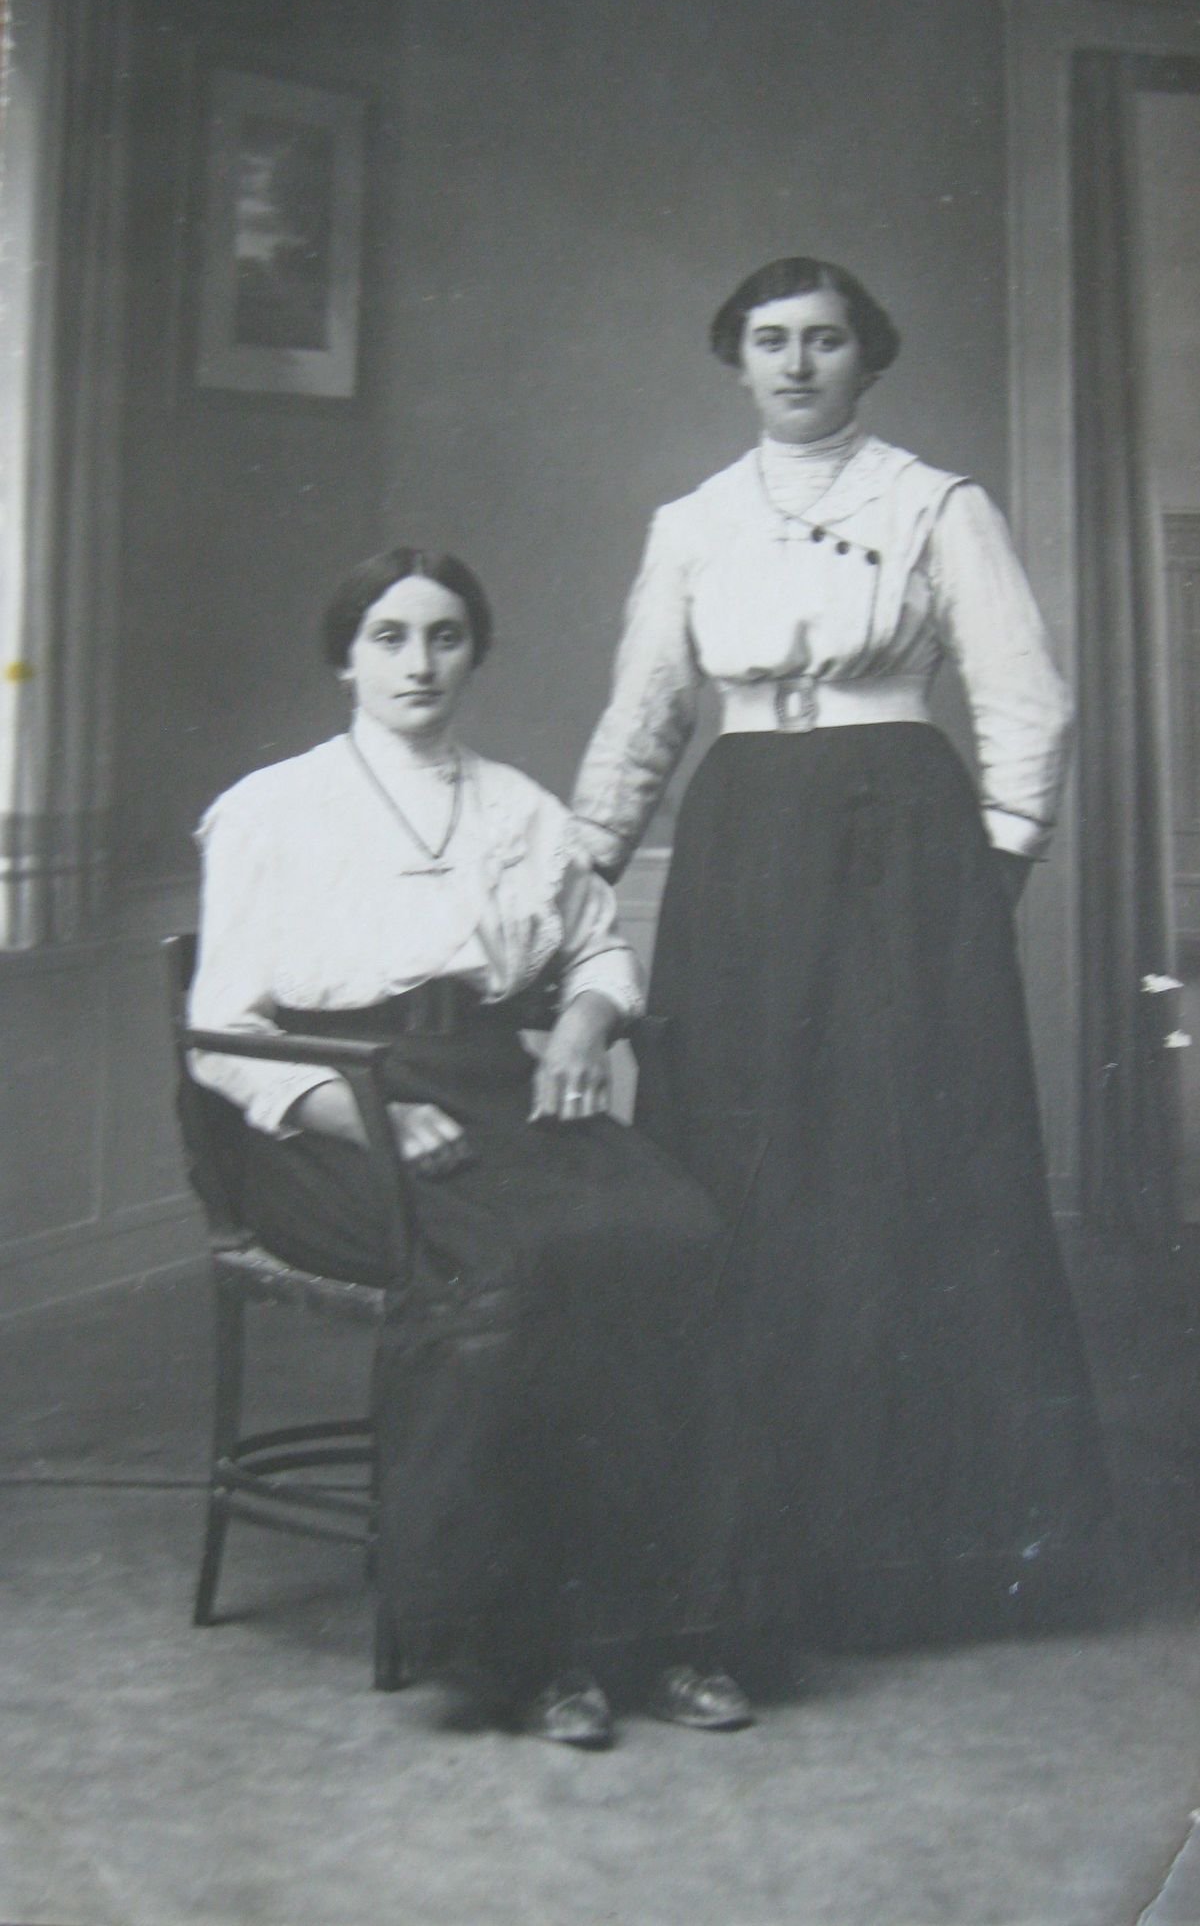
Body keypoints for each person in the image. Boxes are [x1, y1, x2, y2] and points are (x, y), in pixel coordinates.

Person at [570, 256, 1111, 1646]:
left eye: (823, 339)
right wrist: (577, 878)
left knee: (900, 1160)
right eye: (770, 340)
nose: (797, 364)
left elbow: (1024, 697)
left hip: (900, 847)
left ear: (866, 357)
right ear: (737, 359)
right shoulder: (692, 523)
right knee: (741, 1160)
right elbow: (645, 712)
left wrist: (990, 864)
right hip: (743, 844)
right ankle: (743, 1546)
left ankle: (924, 1549)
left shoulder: (936, 505)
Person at [188, 546, 754, 1747]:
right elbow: (223, 1034)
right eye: (389, 636)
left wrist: (583, 1025)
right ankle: (521, 1647)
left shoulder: (519, 808)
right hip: (328, 1116)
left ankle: (666, 1623)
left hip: (495, 1086)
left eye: (444, 636)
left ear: (473, 655)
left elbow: (596, 948)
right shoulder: (269, 808)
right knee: (513, 1266)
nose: (418, 662)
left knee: (680, 1233)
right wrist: (370, 1112)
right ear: (346, 657)